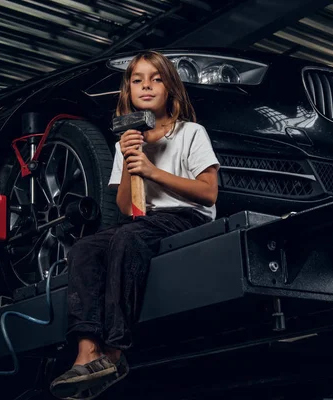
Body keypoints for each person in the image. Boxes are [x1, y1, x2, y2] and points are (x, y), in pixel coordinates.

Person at [49, 50, 220, 400]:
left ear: (170, 88)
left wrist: (153, 171)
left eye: (156, 79)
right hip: (146, 220)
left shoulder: (190, 133)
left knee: (127, 238)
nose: (146, 86)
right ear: (128, 91)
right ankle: (86, 353)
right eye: (138, 80)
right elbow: (127, 207)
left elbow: (208, 194)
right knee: (84, 248)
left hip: (186, 217)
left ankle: (114, 352)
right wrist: (129, 160)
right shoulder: (127, 141)